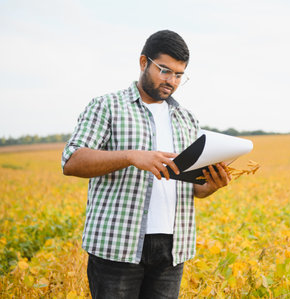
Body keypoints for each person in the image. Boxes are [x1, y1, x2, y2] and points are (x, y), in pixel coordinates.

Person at [62, 30, 230, 299]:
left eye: (178, 75)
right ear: (144, 62)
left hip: (172, 249)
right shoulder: (107, 106)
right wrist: (131, 156)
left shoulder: (187, 119)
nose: (171, 81)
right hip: (117, 246)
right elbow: (71, 161)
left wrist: (210, 186)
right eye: (164, 70)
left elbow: (192, 188)